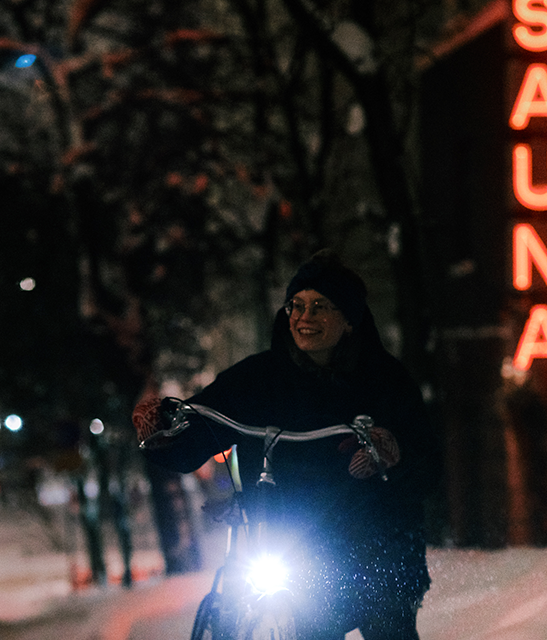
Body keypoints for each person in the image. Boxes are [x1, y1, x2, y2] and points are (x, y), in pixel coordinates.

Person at [132, 250, 440, 640]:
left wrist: (394, 453)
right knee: (310, 623)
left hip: (379, 540)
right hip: (301, 542)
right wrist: (157, 431)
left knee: (387, 621)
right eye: (296, 305)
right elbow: (199, 433)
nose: (303, 317)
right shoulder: (258, 379)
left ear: (348, 320)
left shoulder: (385, 381)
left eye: (320, 307)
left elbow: (429, 464)